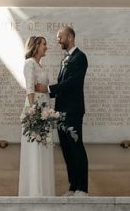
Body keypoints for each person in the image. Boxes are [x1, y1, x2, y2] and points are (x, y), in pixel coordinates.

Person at [35, 25, 88, 196]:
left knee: (76, 148)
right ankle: (73, 187)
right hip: (61, 111)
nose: (58, 40)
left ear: (70, 37)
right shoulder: (65, 59)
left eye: (60, 37)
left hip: (73, 111)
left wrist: (48, 90)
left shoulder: (80, 57)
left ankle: (82, 188)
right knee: (66, 149)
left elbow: (72, 83)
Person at [18, 36, 55, 196]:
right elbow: (30, 89)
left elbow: (43, 88)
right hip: (36, 111)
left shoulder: (39, 64)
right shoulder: (29, 63)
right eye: (44, 44)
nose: (47, 47)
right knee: (35, 149)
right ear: (36, 46)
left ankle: (44, 190)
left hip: (44, 111)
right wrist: (32, 112)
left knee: (44, 148)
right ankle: (34, 192)